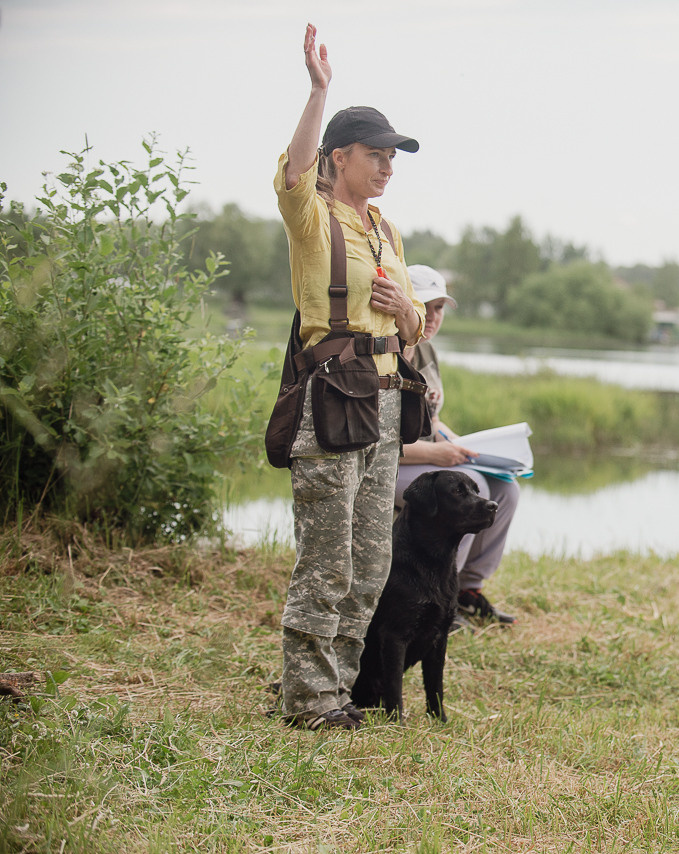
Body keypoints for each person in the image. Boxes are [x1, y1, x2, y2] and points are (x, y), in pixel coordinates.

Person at [275, 23, 427, 730]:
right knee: (327, 563)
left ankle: (341, 691)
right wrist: (318, 90)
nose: (389, 165)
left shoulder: (388, 232)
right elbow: (293, 172)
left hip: (390, 406)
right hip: (333, 400)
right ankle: (309, 703)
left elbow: (416, 327)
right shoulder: (313, 217)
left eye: (394, 156)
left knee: (369, 568)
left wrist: (406, 311)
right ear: (341, 157)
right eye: (377, 153)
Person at [395, 264, 520, 630]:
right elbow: (380, 441)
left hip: (426, 458)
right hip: (387, 466)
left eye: (439, 308)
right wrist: (438, 455)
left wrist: (460, 443)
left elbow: (430, 420)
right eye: (424, 305)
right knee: (469, 487)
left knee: (506, 490)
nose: (432, 317)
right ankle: (440, 599)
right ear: (404, 304)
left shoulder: (427, 352)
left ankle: (467, 590)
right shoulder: (386, 353)